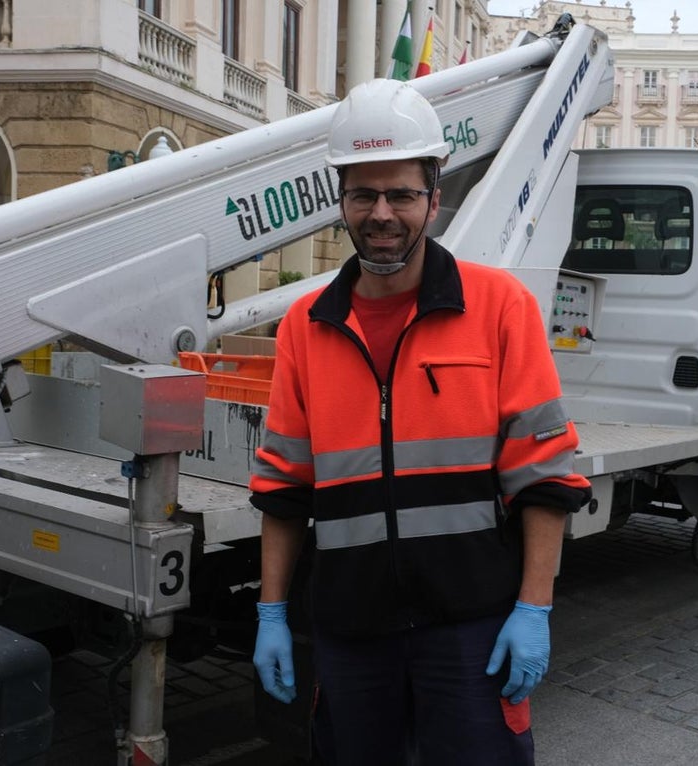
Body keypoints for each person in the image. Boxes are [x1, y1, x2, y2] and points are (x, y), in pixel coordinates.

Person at [248, 78, 591, 766]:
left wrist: (535, 608)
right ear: (341, 201)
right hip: (351, 635)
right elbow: (284, 490)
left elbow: (545, 479)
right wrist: (272, 613)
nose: (382, 213)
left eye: (401, 193)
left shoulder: (500, 309)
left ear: (434, 199)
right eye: (363, 194)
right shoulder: (304, 328)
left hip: (472, 631)